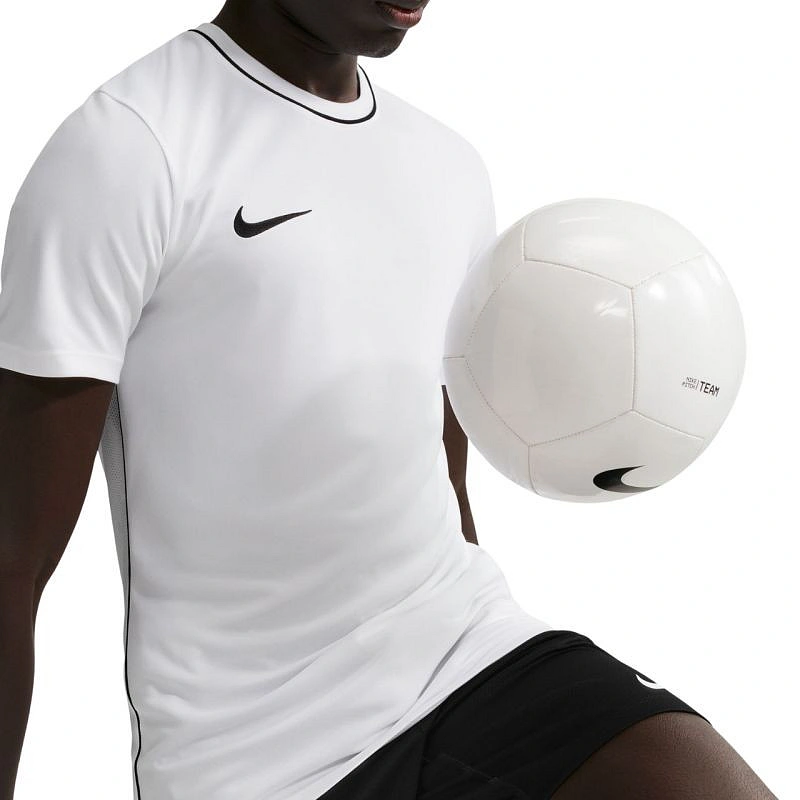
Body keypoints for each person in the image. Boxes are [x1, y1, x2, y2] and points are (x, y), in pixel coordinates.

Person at [0, 1, 778, 798]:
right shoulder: (129, 148)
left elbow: (442, 463)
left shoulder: (447, 165)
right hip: (254, 753)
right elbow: (13, 558)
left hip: (466, 650)